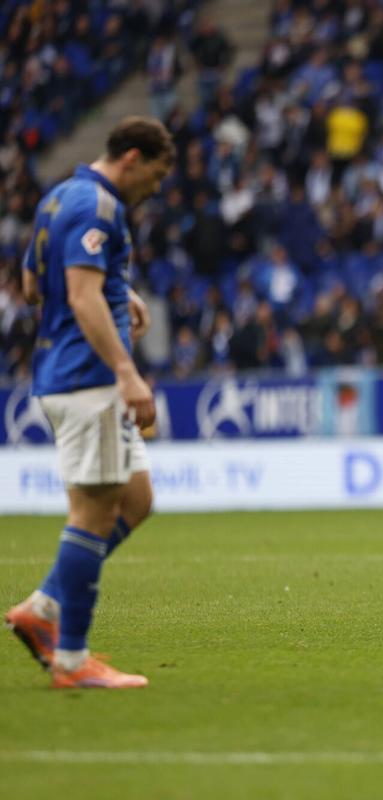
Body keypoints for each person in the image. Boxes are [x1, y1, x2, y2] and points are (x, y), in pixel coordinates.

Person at [5, 117, 175, 688]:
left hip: (72, 375)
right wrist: (127, 372)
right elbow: (77, 294)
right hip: (89, 379)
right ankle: (73, 660)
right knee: (94, 513)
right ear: (131, 158)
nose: (155, 187)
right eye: (154, 175)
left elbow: (33, 285)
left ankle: (46, 605)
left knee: (136, 500)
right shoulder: (98, 206)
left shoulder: (59, 198)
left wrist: (116, 290)